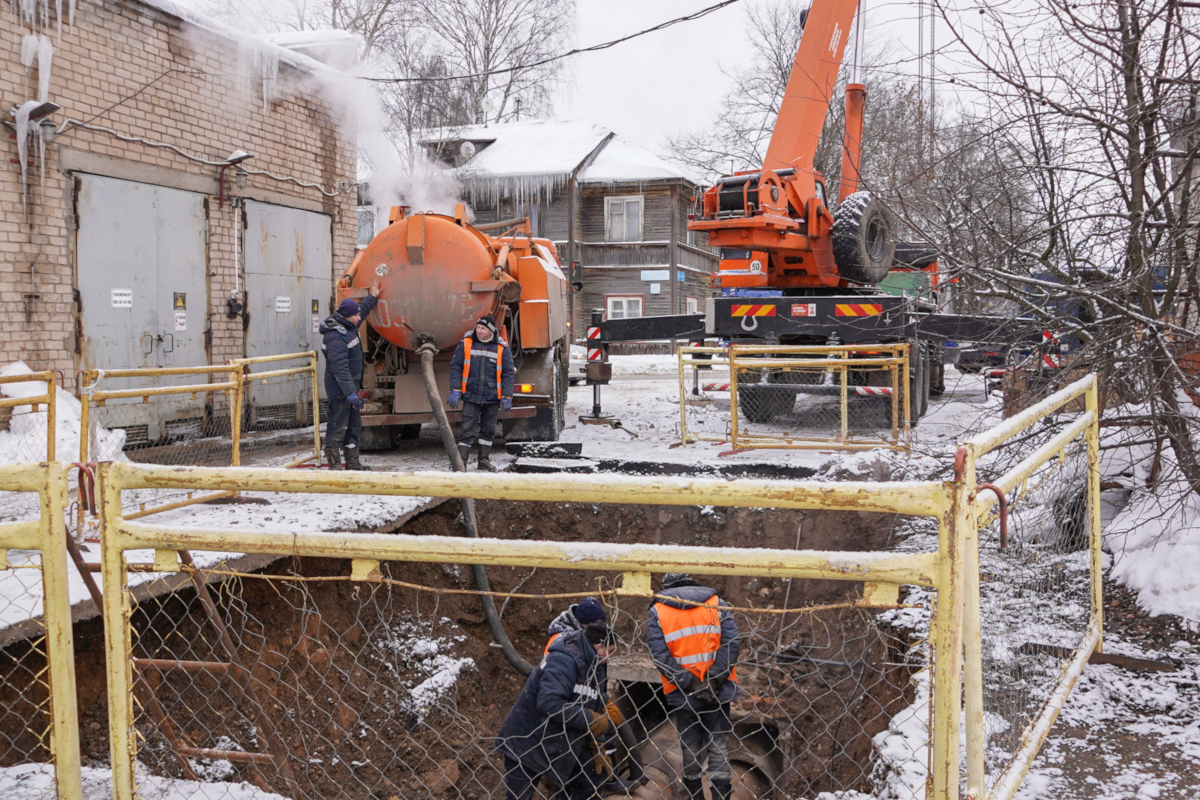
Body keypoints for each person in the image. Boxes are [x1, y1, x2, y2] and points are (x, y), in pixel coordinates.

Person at [497, 620, 620, 800]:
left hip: (561, 740)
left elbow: (591, 695)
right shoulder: (566, 659)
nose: (609, 658)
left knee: (589, 781)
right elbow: (549, 702)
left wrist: (603, 704)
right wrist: (590, 718)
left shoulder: (596, 664)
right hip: (529, 741)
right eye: (608, 652)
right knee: (519, 796)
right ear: (599, 646)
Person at [647, 573, 741, 800]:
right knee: (719, 748)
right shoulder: (715, 603)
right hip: (717, 692)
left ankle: (695, 796)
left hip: (684, 695)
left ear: (666, 586)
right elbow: (732, 641)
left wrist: (690, 682)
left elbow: (660, 656)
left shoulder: (658, 611)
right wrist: (714, 680)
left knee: (690, 751)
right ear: (690, 582)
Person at [319, 280, 380, 471]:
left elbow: (360, 309)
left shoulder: (348, 324)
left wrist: (373, 296)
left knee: (353, 427)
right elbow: (340, 369)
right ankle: (334, 464)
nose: (359, 316)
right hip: (340, 391)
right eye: (355, 315)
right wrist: (349, 393)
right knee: (338, 426)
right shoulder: (335, 336)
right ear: (347, 317)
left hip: (351, 389)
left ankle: (353, 463)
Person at [448, 315, 514, 472]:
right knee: (466, 429)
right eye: (478, 327)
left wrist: (507, 396)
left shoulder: (501, 348)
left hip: (492, 397)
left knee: (488, 430)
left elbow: (508, 373)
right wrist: (455, 390)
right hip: (471, 395)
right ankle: (461, 463)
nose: (478, 330)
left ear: (491, 331)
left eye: (482, 328)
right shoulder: (466, 344)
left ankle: (483, 460)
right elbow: (456, 367)